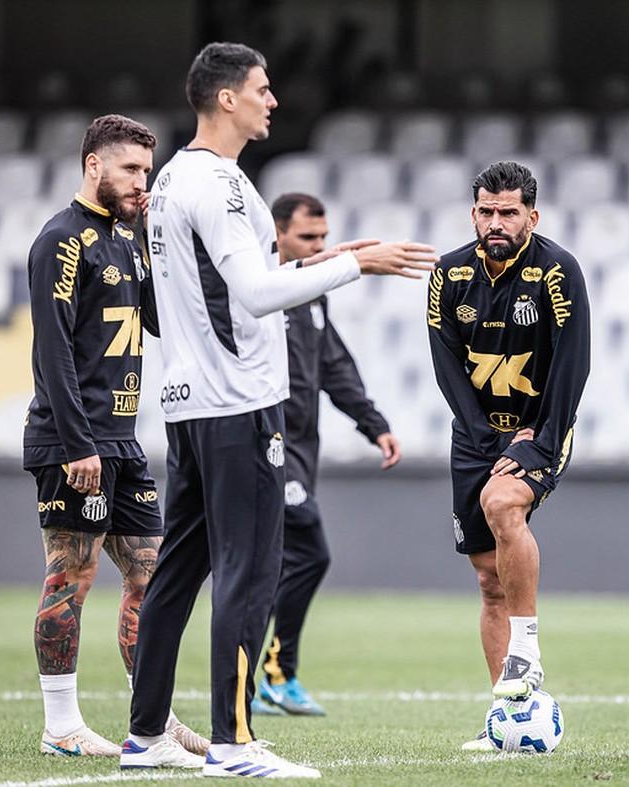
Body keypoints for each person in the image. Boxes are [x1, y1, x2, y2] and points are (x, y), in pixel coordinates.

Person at [121, 43, 436, 779]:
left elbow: (229, 286)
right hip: (239, 404)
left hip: (189, 403)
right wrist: (356, 265)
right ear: (226, 98)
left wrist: (319, 261)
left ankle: (144, 734)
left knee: (179, 571)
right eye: (262, 89)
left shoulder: (170, 181)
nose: (274, 100)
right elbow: (255, 298)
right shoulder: (224, 185)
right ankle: (232, 743)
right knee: (250, 568)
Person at [24, 114, 207, 758]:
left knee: (150, 577)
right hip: (75, 442)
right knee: (69, 576)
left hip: (124, 442)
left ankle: (151, 721)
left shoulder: (127, 241)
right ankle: (62, 725)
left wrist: (159, 234)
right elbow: (53, 351)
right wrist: (78, 445)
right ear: (93, 165)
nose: (140, 182)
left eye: (146, 172)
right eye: (130, 170)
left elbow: (160, 318)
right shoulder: (61, 241)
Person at [426, 161, 590, 750]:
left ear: (532, 216)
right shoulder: (447, 275)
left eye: (509, 212)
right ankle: (508, 725)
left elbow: (575, 361)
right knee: (486, 580)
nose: (496, 222)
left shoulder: (556, 270)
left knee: (502, 504)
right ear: (474, 213)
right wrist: (478, 435)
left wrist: (541, 437)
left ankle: (526, 650)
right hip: (475, 434)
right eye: (487, 212)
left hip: (539, 428)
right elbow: (446, 363)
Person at [254, 193, 401, 717]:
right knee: (310, 552)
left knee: (273, 562)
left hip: (301, 448)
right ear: (276, 235)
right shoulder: (261, 290)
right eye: (308, 239)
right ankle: (273, 672)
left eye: (323, 237)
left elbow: (334, 366)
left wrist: (374, 425)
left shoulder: (312, 295)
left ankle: (256, 677)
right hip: (263, 441)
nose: (320, 247)